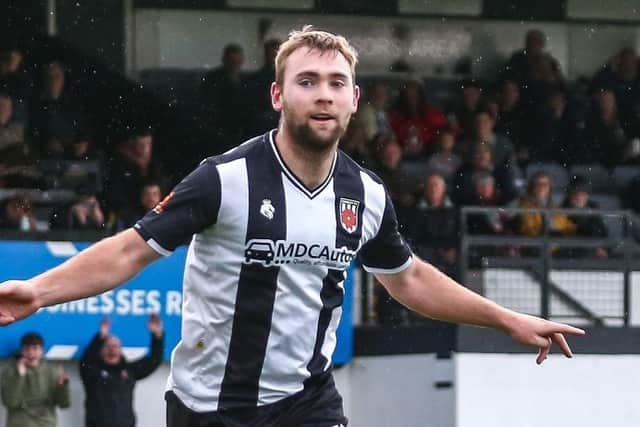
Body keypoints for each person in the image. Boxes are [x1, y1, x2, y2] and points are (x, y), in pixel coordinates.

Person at [0, 26, 584, 427]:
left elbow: (409, 281)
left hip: (307, 404)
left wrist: (504, 318)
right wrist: (38, 291)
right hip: (210, 409)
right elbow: (129, 252)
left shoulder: (367, 193)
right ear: (279, 94)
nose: (322, 95)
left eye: (335, 84)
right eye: (307, 81)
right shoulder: (222, 180)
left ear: (355, 99)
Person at [80, 314, 164, 427]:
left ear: (120, 350)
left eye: (115, 347)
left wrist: (157, 335)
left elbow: (154, 360)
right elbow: (85, 360)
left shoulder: (129, 370)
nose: (112, 350)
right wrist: (100, 337)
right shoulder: (92, 372)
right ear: (101, 350)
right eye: (108, 346)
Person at [0, 332, 70, 427]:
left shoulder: (52, 371)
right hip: (19, 423)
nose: (31, 353)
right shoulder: (10, 371)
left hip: (46, 423)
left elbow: (64, 404)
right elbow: (10, 402)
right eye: (27, 349)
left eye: (35, 348)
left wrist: (62, 387)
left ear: (42, 350)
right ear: (22, 351)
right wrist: (19, 375)